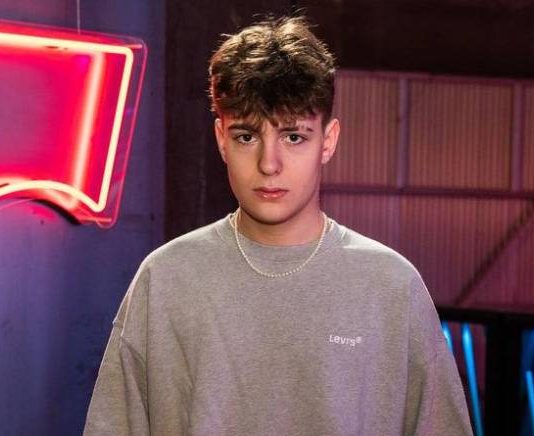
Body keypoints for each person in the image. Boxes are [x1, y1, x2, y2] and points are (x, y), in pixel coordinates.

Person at [84, 15, 473, 436]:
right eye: (247, 137)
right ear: (221, 139)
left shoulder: (391, 286)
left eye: (293, 137)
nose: (269, 164)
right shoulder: (165, 280)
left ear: (328, 141)